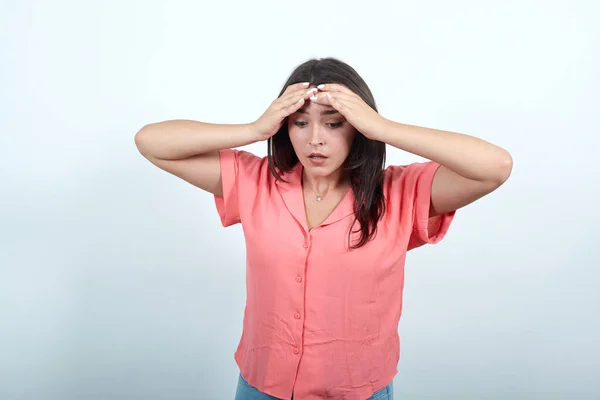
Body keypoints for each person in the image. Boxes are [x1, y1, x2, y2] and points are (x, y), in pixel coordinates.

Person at [134, 57, 513, 400]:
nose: (315, 138)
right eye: (300, 123)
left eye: (333, 124)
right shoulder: (256, 181)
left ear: (358, 129)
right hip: (261, 387)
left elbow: (495, 166)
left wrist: (382, 127)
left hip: (358, 391)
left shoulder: (399, 192)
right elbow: (151, 142)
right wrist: (253, 129)